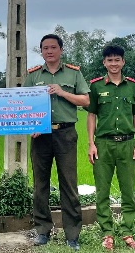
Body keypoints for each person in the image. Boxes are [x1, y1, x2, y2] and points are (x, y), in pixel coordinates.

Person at [24, 34, 90, 251]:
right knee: (40, 184)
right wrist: (31, 125)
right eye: (45, 48)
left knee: (69, 185)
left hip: (65, 134)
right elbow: (24, 104)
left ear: (61, 50)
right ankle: (43, 231)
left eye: (53, 47)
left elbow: (86, 100)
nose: (49, 51)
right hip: (41, 136)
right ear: (41, 51)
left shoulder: (74, 73)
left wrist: (62, 92)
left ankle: (72, 235)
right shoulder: (33, 75)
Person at [86, 44, 135, 252]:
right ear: (104, 63)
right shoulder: (96, 87)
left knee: (128, 191)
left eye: (117, 60)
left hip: (128, 144)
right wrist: (91, 143)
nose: (113, 63)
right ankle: (107, 233)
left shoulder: (133, 87)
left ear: (123, 62)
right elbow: (91, 115)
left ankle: (127, 231)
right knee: (102, 191)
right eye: (109, 60)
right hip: (103, 144)